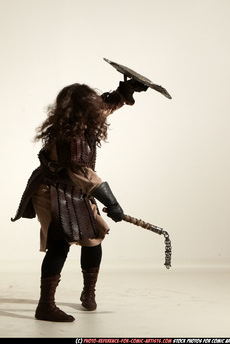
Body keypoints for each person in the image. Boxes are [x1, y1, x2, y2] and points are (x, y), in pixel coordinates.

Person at [11, 79, 148, 322]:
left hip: (76, 190)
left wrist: (122, 93)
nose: (97, 109)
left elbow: (103, 108)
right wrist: (112, 202)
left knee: (93, 239)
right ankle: (45, 306)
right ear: (81, 110)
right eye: (90, 105)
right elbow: (82, 173)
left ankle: (88, 293)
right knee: (59, 244)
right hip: (51, 192)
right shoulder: (71, 137)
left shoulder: (80, 121)